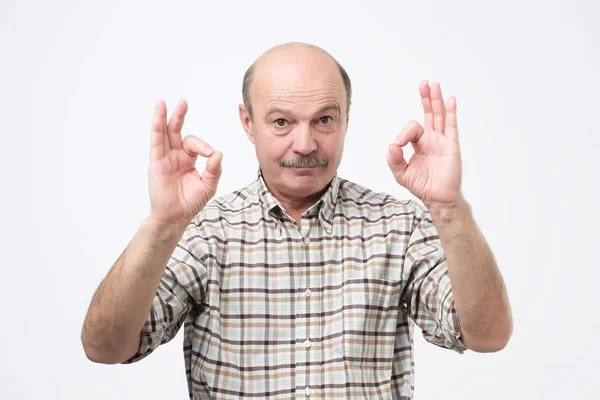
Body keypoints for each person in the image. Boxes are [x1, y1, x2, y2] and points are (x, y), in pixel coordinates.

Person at [81, 42, 513, 399]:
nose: (305, 143)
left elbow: (487, 336)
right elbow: (105, 347)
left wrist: (450, 208)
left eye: (324, 119)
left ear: (346, 118)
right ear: (248, 123)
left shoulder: (398, 225)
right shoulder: (204, 230)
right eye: (282, 121)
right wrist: (161, 224)